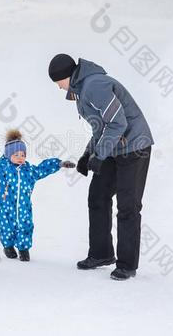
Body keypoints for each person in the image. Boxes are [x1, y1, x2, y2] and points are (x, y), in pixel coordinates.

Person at [48, 54, 154, 281]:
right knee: (97, 196)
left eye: (58, 81)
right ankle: (101, 253)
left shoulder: (94, 86)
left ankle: (127, 265)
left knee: (128, 207)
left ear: (67, 76)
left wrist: (101, 154)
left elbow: (118, 123)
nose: (58, 87)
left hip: (135, 147)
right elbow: (101, 127)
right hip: (115, 146)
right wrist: (89, 154)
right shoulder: (82, 89)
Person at [0, 129, 76, 262]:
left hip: (24, 207)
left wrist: (58, 163)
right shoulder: (3, 168)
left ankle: (23, 249)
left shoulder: (29, 170)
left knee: (25, 226)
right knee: (6, 227)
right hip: (5, 206)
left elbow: (42, 169)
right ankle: (8, 246)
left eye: (23, 154)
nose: (20, 157)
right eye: (16, 154)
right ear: (8, 155)